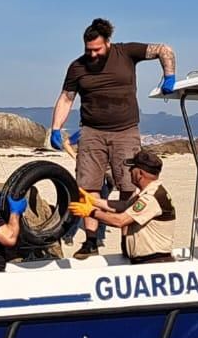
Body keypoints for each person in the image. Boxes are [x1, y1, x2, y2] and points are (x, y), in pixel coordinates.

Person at [49, 18, 176, 259]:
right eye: (89, 50)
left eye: (97, 49)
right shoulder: (77, 67)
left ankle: (126, 240)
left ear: (108, 42)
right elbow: (66, 98)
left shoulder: (126, 53)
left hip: (125, 130)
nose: (93, 54)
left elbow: (164, 50)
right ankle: (90, 242)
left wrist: (169, 76)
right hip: (91, 131)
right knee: (88, 186)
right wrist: (56, 128)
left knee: (129, 187)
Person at [72, 148, 178, 264]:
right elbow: (124, 206)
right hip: (147, 261)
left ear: (139, 173)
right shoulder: (149, 191)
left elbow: (120, 221)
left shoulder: (151, 197)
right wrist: (93, 201)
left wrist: (91, 212)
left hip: (154, 262)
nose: (129, 171)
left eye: (132, 168)